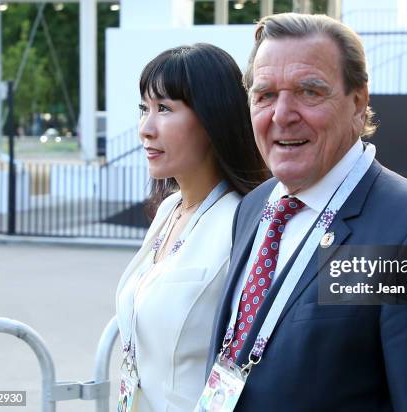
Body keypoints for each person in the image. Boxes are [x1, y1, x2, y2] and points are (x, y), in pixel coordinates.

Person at [206, 13, 407, 411]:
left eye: (309, 92)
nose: (282, 114)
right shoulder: (253, 207)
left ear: (358, 101)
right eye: (264, 94)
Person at [116, 43, 266, 411]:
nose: (145, 129)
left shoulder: (242, 221)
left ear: (213, 118)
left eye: (164, 109)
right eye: (144, 109)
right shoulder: (169, 208)